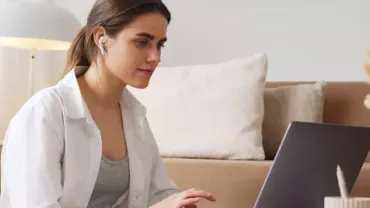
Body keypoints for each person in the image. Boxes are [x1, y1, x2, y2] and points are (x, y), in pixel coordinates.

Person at [0, 0, 216, 207]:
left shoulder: (135, 117)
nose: (155, 57)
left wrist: (180, 201)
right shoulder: (44, 113)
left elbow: (159, 192)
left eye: (159, 45)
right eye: (142, 42)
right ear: (101, 38)